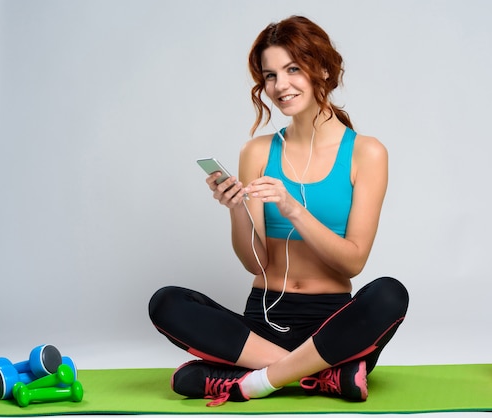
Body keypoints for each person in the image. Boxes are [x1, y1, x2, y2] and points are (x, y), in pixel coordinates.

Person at [149, 15, 409, 407]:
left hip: (330, 327)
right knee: (165, 302)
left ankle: (254, 381)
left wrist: (292, 208)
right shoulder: (256, 151)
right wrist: (236, 210)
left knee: (390, 294)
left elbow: (353, 262)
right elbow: (257, 263)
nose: (280, 85)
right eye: (270, 75)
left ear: (321, 67)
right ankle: (320, 377)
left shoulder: (366, 153)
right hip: (262, 322)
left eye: (292, 69)